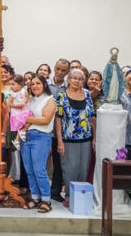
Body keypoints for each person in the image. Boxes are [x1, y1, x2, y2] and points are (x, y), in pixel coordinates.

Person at [55, 68, 96, 206]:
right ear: (69, 79)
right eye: (74, 78)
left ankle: (81, 196)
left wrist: (95, 138)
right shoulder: (62, 96)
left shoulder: (87, 94)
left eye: (80, 79)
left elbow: (92, 118)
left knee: (83, 169)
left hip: (86, 138)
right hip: (68, 139)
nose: (77, 81)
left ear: (83, 81)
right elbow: (58, 120)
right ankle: (69, 196)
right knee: (69, 169)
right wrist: (60, 141)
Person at [21, 74, 56, 212]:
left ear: (44, 85)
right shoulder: (30, 100)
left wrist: (27, 119)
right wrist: (26, 120)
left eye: (38, 83)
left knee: (39, 170)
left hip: (41, 137)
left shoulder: (49, 100)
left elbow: (46, 119)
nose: (35, 86)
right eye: (33, 84)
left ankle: (46, 200)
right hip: (26, 136)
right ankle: (35, 197)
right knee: (29, 170)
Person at [49, 59, 70, 202]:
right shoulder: (45, 84)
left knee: (58, 164)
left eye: (63, 70)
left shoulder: (69, 87)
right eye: (58, 69)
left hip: (60, 132)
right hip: (43, 129)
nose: (60, 72)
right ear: (54, 68)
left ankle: (55, 192)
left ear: (67, 72)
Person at [7, 75, 30, 149]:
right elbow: (9, 103)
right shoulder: (12, 93)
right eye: (10, 84)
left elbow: (27, 98)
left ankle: (18, 138)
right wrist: (17, 106)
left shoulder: (24, 90)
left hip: (24, 110)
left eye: (13, 84)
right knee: (21, 124)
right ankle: (17, 139)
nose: (11, 86)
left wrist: (24, 103)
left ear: (20, 84)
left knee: (30, 119)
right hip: (16, 112)